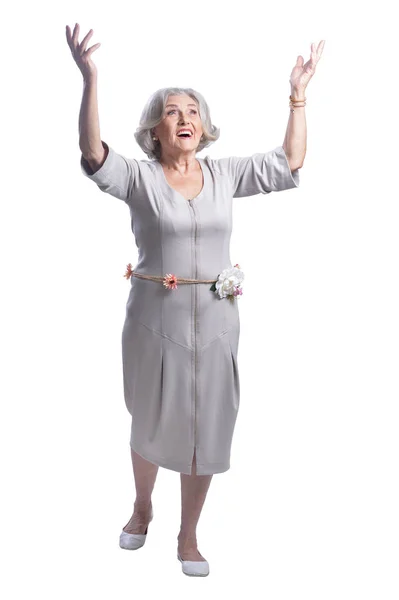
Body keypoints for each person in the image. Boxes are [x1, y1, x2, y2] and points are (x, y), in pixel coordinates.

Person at [66, 23, 325, 577]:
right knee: (150, 417)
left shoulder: (225, 174)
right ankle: (142, 509)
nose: (184, 118)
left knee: (208, 422)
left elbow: (290, 161)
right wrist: (90, 79)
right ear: (155, 130)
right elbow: (92, 153)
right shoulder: (138, 179)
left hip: (217, 321)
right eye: (172, 111)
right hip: (152, 321)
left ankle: (189, 535)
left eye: (192, 111)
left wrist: (297, 94)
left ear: (204, 127)